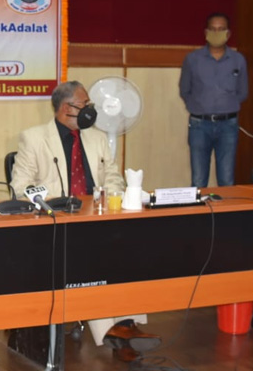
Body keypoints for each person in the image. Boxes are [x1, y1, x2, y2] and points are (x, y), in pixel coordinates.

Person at [9, 81, 158, 362]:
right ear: (66, 108)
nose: (90, 110)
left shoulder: (97, 138)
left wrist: (113, 197)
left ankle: (127, 324)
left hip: (98, 218)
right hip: (58, 224)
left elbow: (112, 176)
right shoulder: (34, 138)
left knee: (128, 249)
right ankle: (116, 332)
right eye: (84, 104)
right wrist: (53, 203)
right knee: (92, 258)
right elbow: (21, 187)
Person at [179, 12, 248, 188]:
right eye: (213, 29)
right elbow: (184, 90)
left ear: (228, 34)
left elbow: (243, 92)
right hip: (199, 125)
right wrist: (198, 106)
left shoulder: (238, 60)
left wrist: (227, 105)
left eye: (221, 29)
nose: (217, 33)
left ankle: (226, 208)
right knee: (198, 179)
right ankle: (198, 207)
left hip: (228, 126)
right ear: (206, 32)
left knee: (227, 179)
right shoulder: (192, 59)